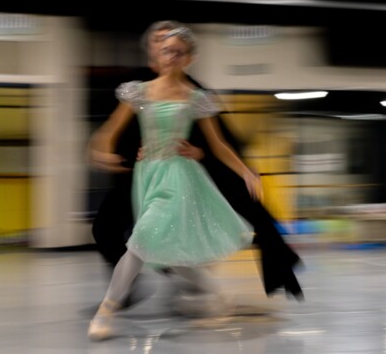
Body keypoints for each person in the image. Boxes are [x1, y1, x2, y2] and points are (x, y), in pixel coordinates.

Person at [91, 20, 303, 308]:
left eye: (175, 46)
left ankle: (111, 306)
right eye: (161, 43)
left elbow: (219, 142)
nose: (168, 50)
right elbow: (108, 130)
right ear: (152, 49)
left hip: (177, 175)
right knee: (107, 230)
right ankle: (141, 288)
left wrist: (208, 156)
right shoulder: (136, 86)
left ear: (187, 55)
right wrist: (103, 152)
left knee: (153, 240)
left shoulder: (195, 93)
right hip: (138, 175)